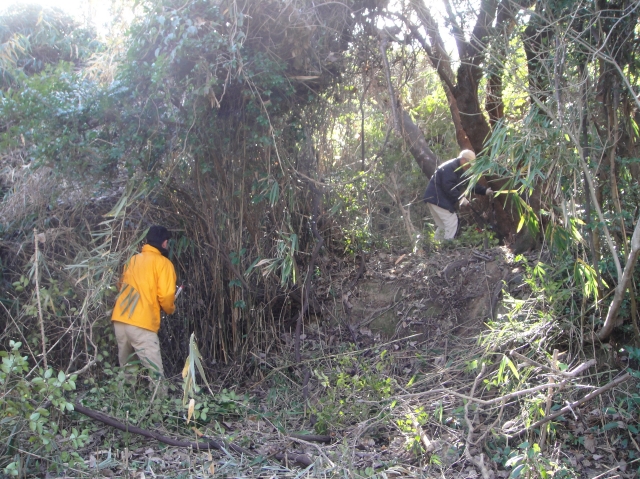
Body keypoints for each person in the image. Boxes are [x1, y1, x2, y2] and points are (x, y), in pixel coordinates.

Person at [111, 225, 176, 380]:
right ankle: (160, 401)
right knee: (156, 373)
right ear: (164, 243)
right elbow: (166, 296)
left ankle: (124, 401)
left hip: (120, 320)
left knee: (127, 371)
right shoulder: (163, 264)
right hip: (141, 323)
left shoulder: (133, 260)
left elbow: (121, 285)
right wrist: (170, 309)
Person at [423, 149, 493, 240]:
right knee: (451, 221)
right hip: (437, 199)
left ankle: (437, 248)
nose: (469, 167)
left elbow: (469, 183)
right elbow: (449, 187)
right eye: (469, 164)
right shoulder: (450, 168)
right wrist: (461, 199)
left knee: (443, 226)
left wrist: (485, 191)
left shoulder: (459, 169)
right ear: (463, 159)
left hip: (433, 198)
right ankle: (447, 245)